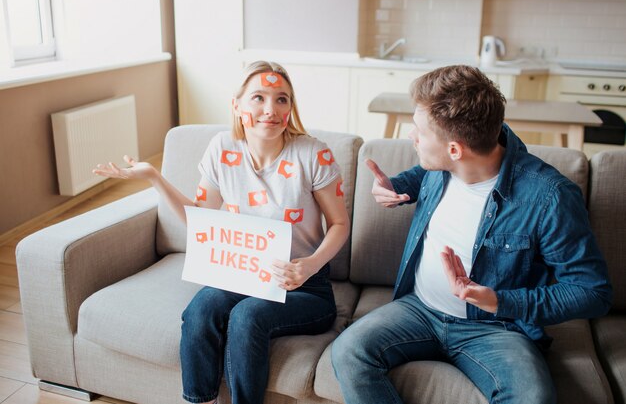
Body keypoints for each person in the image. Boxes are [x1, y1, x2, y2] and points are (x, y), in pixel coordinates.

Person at [330, 65, 612, 404]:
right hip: (419, 309)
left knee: (533, 398)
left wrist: (499, 301)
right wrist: (398, 187)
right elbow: (424, 171)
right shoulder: (450, 160)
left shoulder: (550, 197)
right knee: (348, 352)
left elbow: (592, 292)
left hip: (495, 327)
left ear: (454, 149)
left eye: (419, 131)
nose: (411, 136)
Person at [93, 61, 349, 404]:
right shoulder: (222, 149)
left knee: (247, 317)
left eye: (282, 99)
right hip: (242, 276)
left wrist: (312, 264)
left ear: (291, 107)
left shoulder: (313, 153)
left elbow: (340, 224)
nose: (270, 110)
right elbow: (202, 218)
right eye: (258, 97)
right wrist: (155, 177)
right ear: (237, 105)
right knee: (200, 310)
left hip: (305, 288)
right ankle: (199, 401)